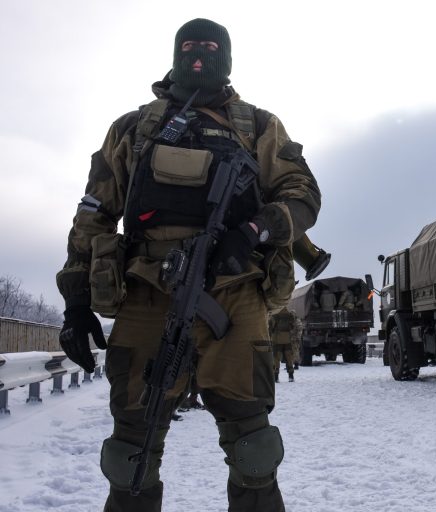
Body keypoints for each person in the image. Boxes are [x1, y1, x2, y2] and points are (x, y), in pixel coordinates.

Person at [55, 18, 320, 512]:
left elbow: (302, 195)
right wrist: (75, 301)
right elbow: (93, 214)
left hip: (235, 291)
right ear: (176, 54)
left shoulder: (258, 126)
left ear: (228, 57)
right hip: (145, 293)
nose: (200, 56)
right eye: (190, 47)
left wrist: (254, 232)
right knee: (130, 450)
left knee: (253, 448)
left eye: (211, 48)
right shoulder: (134, 128)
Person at [269, 308, 300, 382]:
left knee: (276, 359)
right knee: (289, 358)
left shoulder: (274, 316)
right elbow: (294, 327)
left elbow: (270, 328)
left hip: (277, 340)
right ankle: (291, 376)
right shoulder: (290, 315)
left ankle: (276, 377)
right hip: (288, 340)